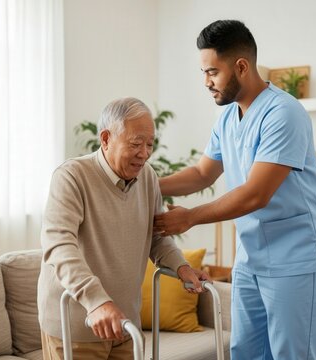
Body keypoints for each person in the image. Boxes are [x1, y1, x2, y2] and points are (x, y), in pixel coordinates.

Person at [154, 20, 316, 360]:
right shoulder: (227, 118)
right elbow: (202, 173)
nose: (206, 82)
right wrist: (144, 183)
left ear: (241, 66)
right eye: (203, 73)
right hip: (250, 259)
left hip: (295, 258)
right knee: (245, 353)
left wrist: (189, 218)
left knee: (291, 355)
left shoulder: (284, 114)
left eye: (212, 72)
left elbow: (256, 194)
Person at [37, 97, 209, 360]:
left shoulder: (147, 176)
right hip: (78, 324)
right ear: (105, 139)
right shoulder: (71, 176)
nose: (144, 153)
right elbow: (58, 246)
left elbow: (156, 237)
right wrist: (97, 302)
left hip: (125, 322)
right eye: (136, 143)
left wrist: (181, 267)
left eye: (149, 144)